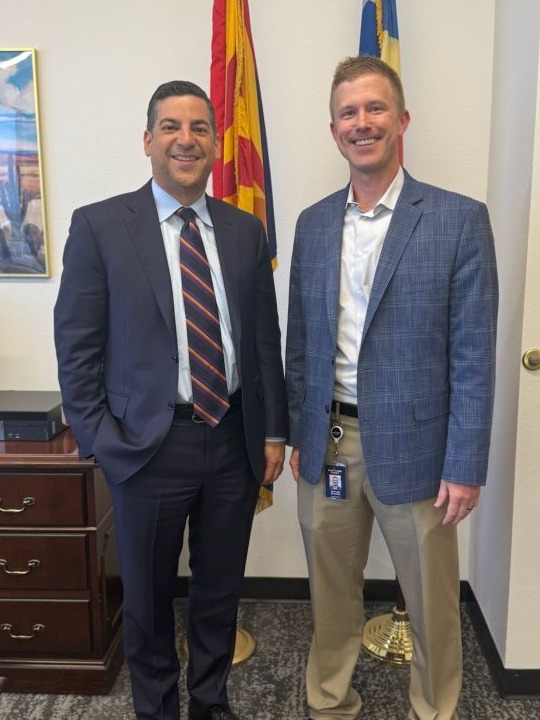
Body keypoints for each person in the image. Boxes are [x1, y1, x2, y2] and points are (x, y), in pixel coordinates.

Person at [54, 80, 288, 720]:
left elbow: (263, 341)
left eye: (200, 127)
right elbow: (76, 345)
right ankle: (156, 710)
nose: (186, 140)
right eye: (171, 127)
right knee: (149, 600)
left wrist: (274, 430)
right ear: (148, 140)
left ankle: (210, 703)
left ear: (214, 142)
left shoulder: (245, 231)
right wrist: (101, 438)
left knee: (219, 592)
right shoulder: (100, 226)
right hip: (146, 446)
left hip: (233, 438)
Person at [285, 55, 498, 720]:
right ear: (334, 130)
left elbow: (474, 354)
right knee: (329, 593)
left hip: (421, 449)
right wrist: (299, 432)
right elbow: (301, 343)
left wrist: (465, 464)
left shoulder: (459, 220)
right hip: (329, 441)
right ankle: (329, 701)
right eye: (348, 112)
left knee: (432, 600)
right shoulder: (312, 224)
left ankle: (434, 709)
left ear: (402, 120)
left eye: (375, 108)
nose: (362, 123)